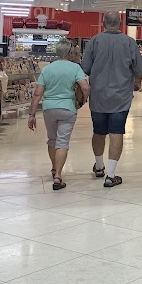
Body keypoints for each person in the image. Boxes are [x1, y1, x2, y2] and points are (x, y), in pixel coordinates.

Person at [82, 11, 142, 188]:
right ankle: (110, 175)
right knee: (117, 131)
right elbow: (139, 69)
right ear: (120, 22)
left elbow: (85, 68)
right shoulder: (129, 42)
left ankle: (99, 166)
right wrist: (136, 82)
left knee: (98, 131)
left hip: (98, 96)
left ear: (103, 23)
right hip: (121, 97)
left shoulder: (94, 41)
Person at [28, 41, 90, 191]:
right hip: (68, 108)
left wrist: (32, 114)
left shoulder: (47, 69)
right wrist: (82, 100)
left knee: (52, 139)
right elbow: (85, 87)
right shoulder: (75, 68)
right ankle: (58, 176)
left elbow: (37, 94)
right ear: (69, 53)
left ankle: (54, 168)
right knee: (62, 142)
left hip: (49, 108)